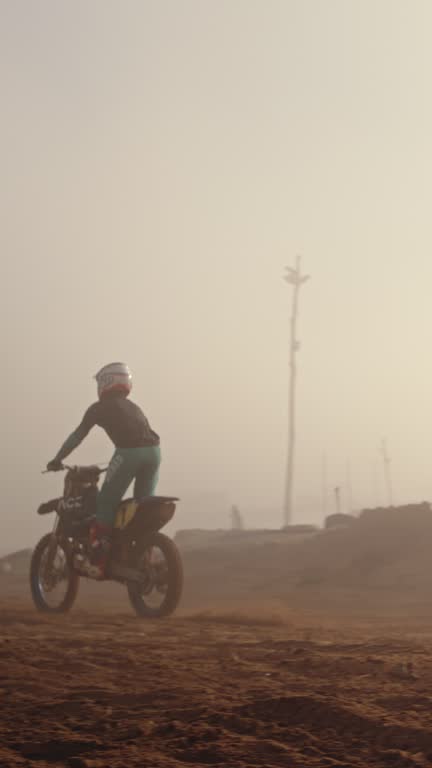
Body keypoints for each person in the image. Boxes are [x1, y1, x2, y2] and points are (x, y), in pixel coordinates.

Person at [47, 362, 161, 578]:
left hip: (129, 453)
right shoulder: (134, 406)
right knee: (143, 506)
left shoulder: (98, 408)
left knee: (105, 504)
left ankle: (99, 562)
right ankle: (146, 558)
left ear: (106, 382)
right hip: (154, 453)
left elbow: (77, 436)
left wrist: (57, 459)